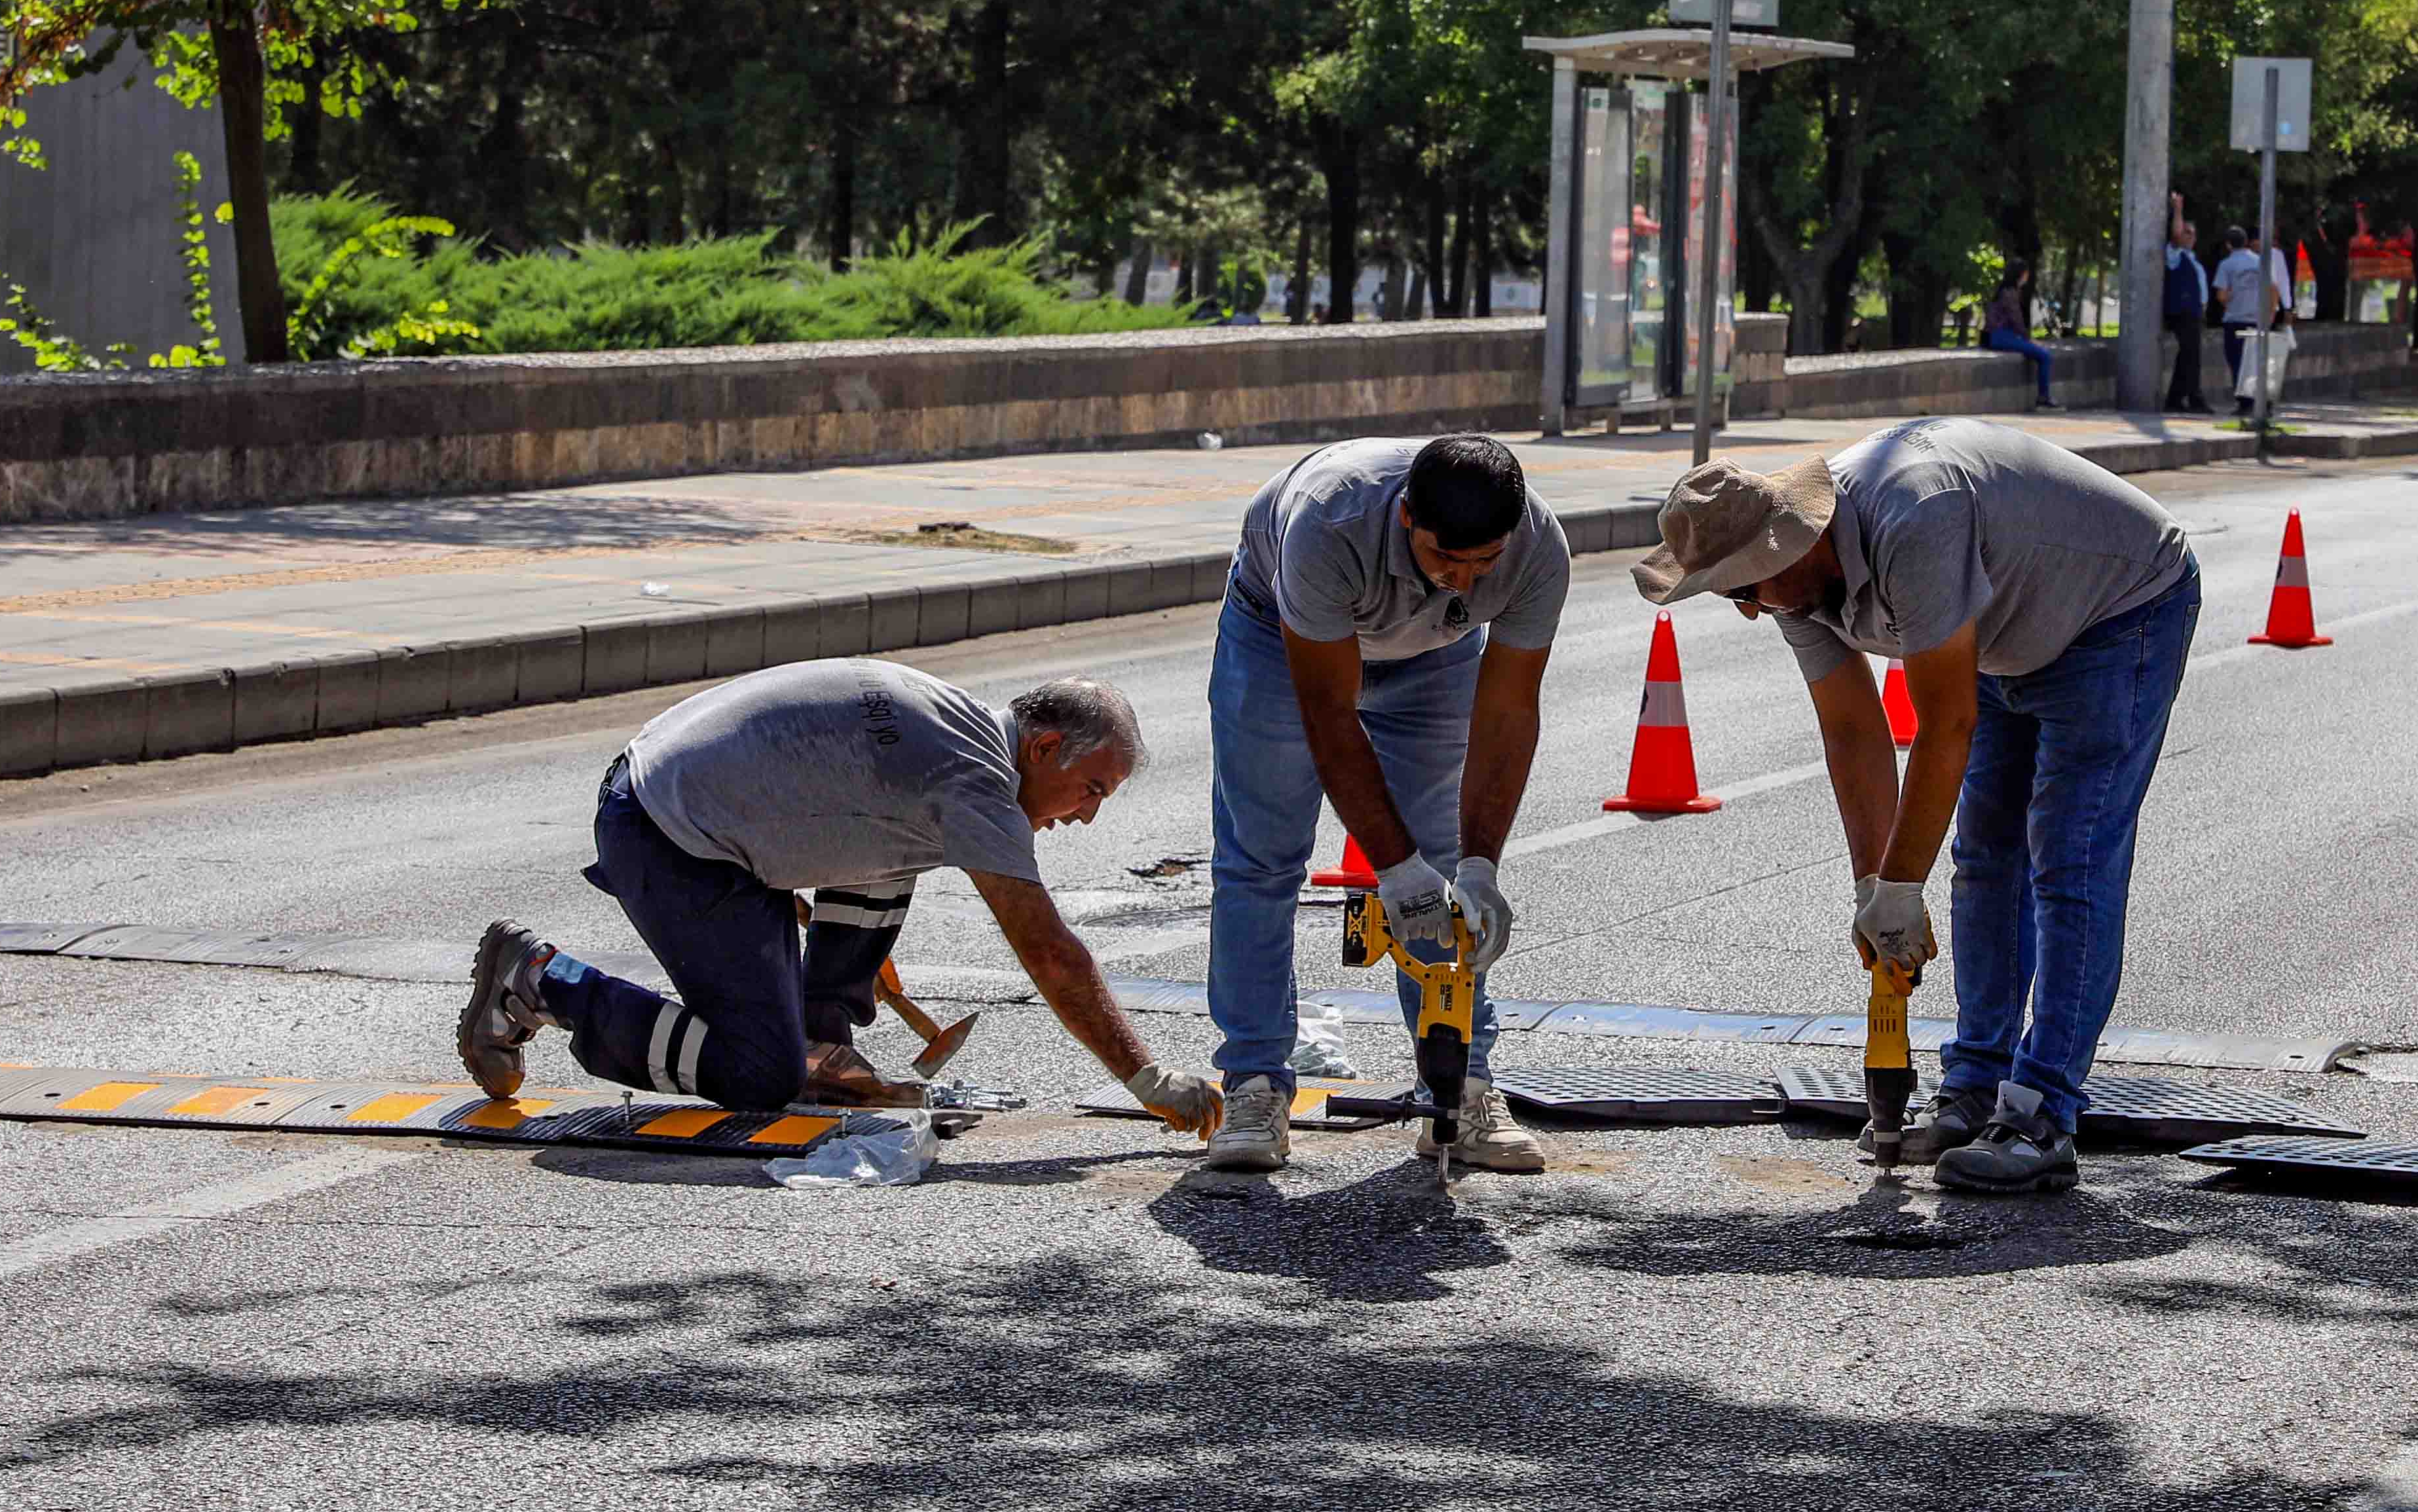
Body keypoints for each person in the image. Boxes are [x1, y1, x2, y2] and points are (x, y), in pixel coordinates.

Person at [1636, 418, 2203, 1197]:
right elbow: (1853, 731)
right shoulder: (1797, 589)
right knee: (1986, 857)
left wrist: (1904, 882)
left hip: (2119, 610)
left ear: (1785, 550)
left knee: (2069, 856)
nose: (1749, 611)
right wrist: (1876, 889)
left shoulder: (1913, 518)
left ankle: (2042, 1115)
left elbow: (1946, 724)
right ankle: (1977, 1085)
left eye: (1743, 589)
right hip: (2004, 629)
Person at [455, 665, 1214, 1132]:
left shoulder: (951, 717)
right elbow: (1049, 951)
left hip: (683, 796)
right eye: (1091, 789)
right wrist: (1145, 1077)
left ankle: (820, 1041)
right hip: (668, 832)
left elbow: (833, 789)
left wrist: (781, 838)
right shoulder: (975, 782)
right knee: (759, 1074)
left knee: (892, 855)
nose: (1087, 816)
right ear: (1044, 747)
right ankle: (539, 979)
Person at [1199, 433, 1568, 1185]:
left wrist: (1480, 864)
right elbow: (1329, 716)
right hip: (1276, 632)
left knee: (1442, 864)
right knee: (1261, 856)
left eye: (1483, 563)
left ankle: (1460, 1084)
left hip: (1435, 654)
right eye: (1445, 558)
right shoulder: (1329, 523)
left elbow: (1508, 712)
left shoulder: (1537, 547)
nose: (1462, 577)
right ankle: (1254, 1082)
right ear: (1406, 518)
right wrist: (1394, 872)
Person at [1979, 270, 2056, 409]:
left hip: (1995, 336)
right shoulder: (2010, 293)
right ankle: (2043, 397)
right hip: (2000, 337)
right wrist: (2028, 339)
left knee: (2041, 353)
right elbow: (2016, 320)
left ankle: (2044, 397)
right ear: (2020, 274)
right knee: (2044, 356)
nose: (2028, 276)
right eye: (2026, 273)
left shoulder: (2003, 291)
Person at [2216, 225, 2269, 414]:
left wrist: (2233, 297)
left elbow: (2222, 295)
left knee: (2237, 362)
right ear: (2246, 242)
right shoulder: (2260, 262)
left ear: (2228, 245)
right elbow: (2271, 289)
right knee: (2255, 363)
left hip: (2235, 320)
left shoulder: (2226, 265)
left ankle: (2244, 403)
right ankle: (2260, 401)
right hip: (2257, 320)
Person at [2161, 217, 2212, 413]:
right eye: (2187, 232)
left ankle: (2175, 398)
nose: (2191, 237)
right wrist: (2178, 210)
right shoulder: (2175, 255)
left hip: (2195, 313)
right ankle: (2194, 397)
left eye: (2193, 233)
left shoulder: (2193, 260)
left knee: (2188, 356)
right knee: (2191, 356)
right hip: (2182, 313)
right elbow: (2175, 237)